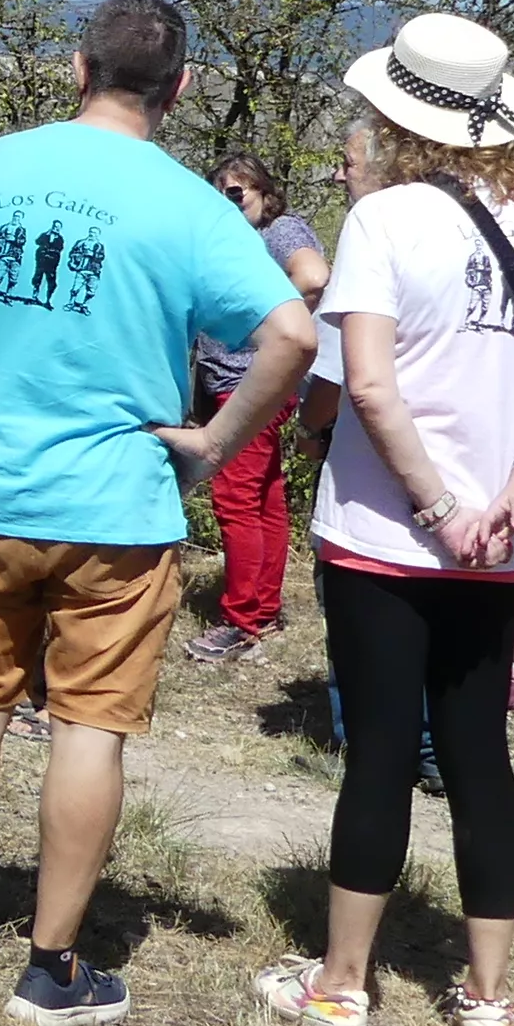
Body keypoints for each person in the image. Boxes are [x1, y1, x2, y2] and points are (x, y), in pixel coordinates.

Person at [0, 0, 312, 1026]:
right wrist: (213, 444)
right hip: (118, 508)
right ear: (180, 89)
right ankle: (51, 966)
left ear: (75, 68)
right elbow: (292, 332)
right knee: (88, 728)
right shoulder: (187, 203)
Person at [254, 14, 514, 1026]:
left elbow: (364, 380)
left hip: (384, 532)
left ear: (395, 114)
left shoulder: (384, 221)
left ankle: (339, 988)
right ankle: (489, 998)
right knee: (479, 754)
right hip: (503, 544)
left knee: (376, 752)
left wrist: (432, 504)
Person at [184, 153, 329, 668]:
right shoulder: (233, 238)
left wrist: (261, 321)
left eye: (238, 190)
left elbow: (313, 276)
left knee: (236, 499)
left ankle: (241, 620)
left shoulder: (280, 230)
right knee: (264, 495)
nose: (229, 198)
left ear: (265, 193)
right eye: (218, 190)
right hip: (243, 382)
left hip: (250, 383)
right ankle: (261, 609)